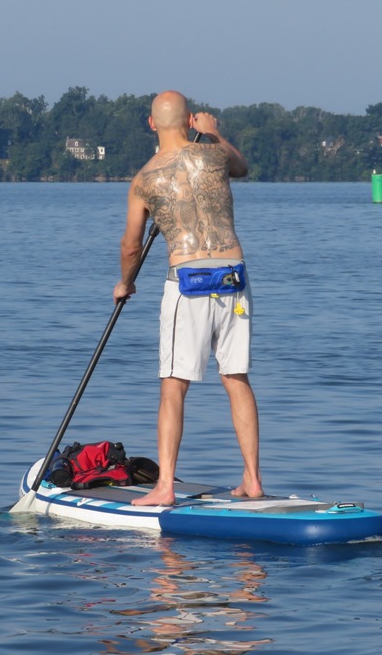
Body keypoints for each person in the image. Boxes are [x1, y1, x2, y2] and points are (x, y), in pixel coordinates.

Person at [113, 90, 264, 506]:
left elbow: (130, 245)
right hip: (233, 276)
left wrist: (125, 283)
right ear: (190, 121)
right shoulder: (215, 155)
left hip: (188, 281)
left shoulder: (145, 179)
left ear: (151, 124)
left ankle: (164, 488)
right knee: (236, 378)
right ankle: (252, 479)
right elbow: (243, 167)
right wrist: (215, 133)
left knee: (174, 386)